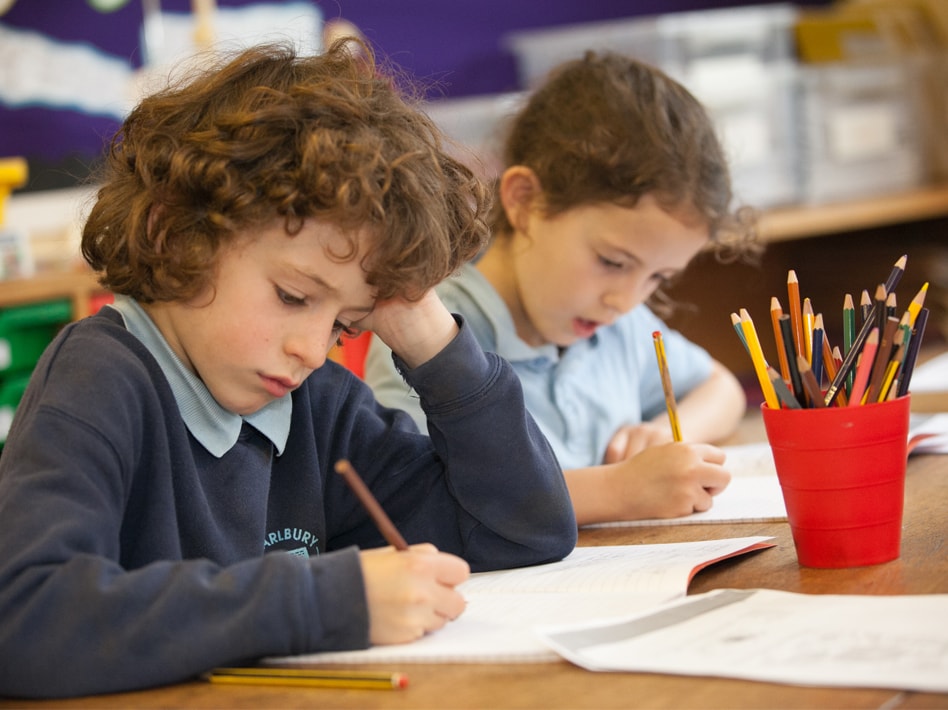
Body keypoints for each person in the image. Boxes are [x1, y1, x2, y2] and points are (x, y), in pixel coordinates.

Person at [0, 40, 576, 699]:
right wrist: (319, 601)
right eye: (294, 297)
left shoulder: (317, 406)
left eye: (345, 325)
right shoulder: (99, 379)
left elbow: (523, 531)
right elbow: (22, 618)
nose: (312, 348)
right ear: (177, 232)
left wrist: (431, 337)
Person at [365, 51, 758, 527]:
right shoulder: (426, 331)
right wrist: (619, 490)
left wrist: (659, 436)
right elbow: (420, 496)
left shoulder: (618, 325)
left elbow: (723, 390)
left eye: (659, 278)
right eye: (612, 262)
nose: (626, 300)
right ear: (525, 202)